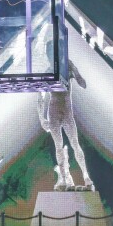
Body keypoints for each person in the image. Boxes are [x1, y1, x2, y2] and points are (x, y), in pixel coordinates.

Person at [38, 60, 94, 191]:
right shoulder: (48, 72)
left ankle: (85, 175)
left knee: (75, 143)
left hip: (66, 111)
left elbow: (83, 84)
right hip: (54, 112)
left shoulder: (68, 68)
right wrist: (41, 118)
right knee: (59, 146)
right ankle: (63, 177)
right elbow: (40, 96)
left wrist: (74, 70)